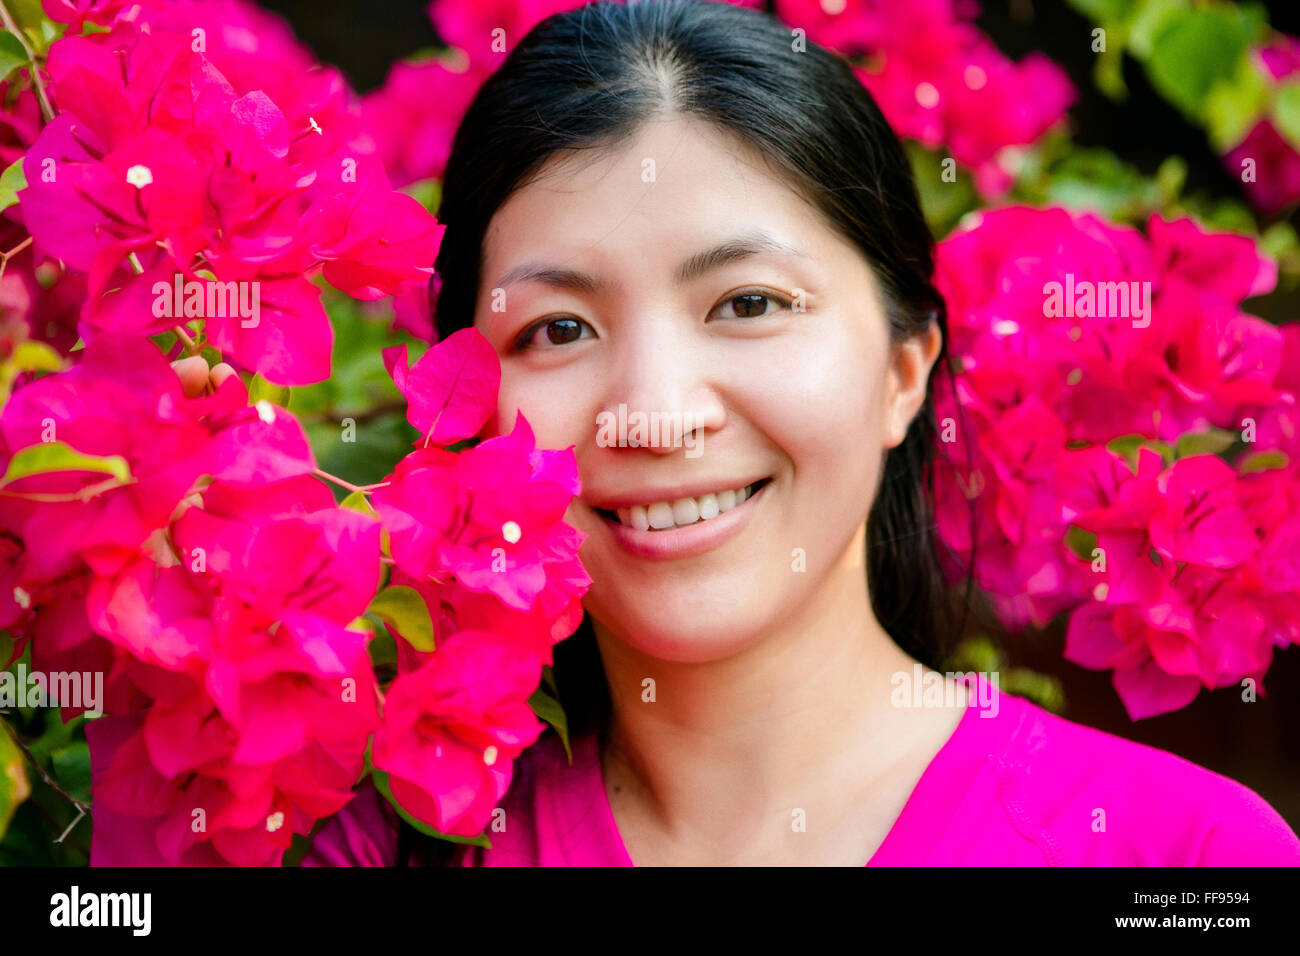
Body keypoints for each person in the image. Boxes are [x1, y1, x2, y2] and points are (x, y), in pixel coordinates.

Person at [293, 0, 1300, 866]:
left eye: (747, 303)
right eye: (560, 328)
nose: (654, 411)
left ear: (904, 370)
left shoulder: (1183, 855)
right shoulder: (377, 844)